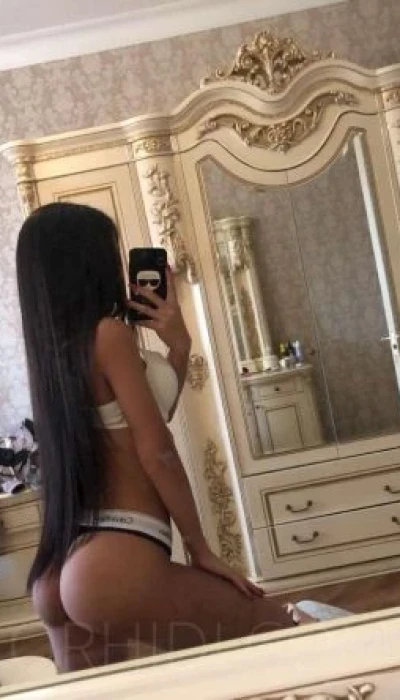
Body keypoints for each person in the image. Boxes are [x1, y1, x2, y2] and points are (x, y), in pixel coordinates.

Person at [16, 202, 346, 673]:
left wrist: (179, 345)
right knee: (284, 631)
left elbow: (144, 418)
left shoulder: (50, 354)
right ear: (89, 263)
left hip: (61, 563)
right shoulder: (109, 334)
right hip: (116, 556)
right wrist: (200, 547)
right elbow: (158, 451)